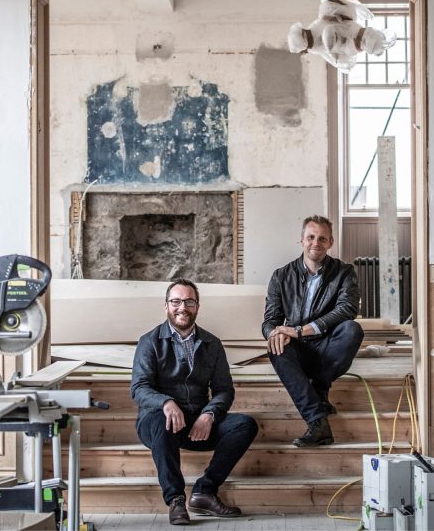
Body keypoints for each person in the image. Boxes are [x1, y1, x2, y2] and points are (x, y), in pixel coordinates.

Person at [131, 278, 259, 525]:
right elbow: (139, 388)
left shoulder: (212, 343)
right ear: (166, 306)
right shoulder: (149, 342)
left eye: (189, 301)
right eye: (176, 301)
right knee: (162, 421)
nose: (182, 307)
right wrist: (166, 403)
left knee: (245, 424)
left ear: (197, 306)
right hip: (157, 422)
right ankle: (176, 499)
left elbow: (224, 390)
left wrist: (209, 414)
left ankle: (205, 491)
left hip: (197, 423)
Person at [263, 215, 364, 447]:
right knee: (276, 346)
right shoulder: (281, 276)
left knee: (352, 330)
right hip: (298, 351)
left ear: (330, 243)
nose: (315, 243)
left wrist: (300, 330)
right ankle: (318, 420)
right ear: (301, 240)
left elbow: (347, 309)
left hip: (328, 346)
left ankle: (319, 388)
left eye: (322, 238)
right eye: (310, 237)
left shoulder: (344, 272)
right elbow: (270, 320)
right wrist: (275, 333)